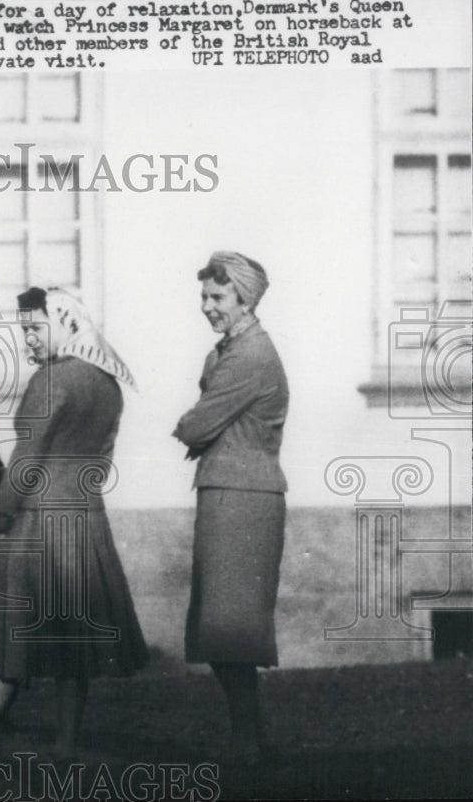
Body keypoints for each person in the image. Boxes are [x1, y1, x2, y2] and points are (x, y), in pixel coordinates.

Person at [0, 287, 148, 764]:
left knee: (8, 637)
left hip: (35, 523)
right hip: (84, 522)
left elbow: (26, 459)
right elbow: (102, 460)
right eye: (24, 332)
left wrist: (0, 515)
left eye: (35, 329)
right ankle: (65, 745)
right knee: (72, 644)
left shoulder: (51, 379)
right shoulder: (107, 384)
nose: (29, 340)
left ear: (64, 322)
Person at [172, 251, 288, 764]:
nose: (207, 306)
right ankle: (253, 737)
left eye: (217, 296)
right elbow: (206, 422)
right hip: (231, 494)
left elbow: (196, 426)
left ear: (246, 299)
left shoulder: (248, 357)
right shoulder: (231, 352)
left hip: (242, 499)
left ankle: (247, 742)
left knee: (230, 631)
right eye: (204, 296)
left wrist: (192, 425)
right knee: (222, 631)